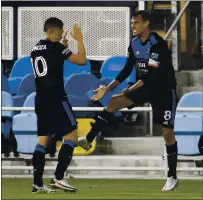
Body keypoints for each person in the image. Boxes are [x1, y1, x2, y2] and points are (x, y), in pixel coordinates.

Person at [78, 11, 179, 191]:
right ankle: (88, 139)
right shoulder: (133, 43)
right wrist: (107, 89)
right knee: (114, 103)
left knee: (167, 134)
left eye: (136, 23)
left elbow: (151, 74)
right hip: (146, 87)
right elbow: (126, 69)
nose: (133, 26)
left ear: (147, 24)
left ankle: (172, 176)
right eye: (132, 23)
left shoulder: (157, 44)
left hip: (164, 90)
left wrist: (128, 90)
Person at [30, 17, 86, 193]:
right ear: (54, 32)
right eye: (61, 32)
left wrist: (63, 46)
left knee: (42, 141)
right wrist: (80, 40)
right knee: (71, 135)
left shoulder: (35, 48)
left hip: (40, 99)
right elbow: (82, 60)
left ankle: (38, 184)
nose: (62, 35)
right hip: (56, 98)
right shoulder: (57, 48)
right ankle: (59, 178)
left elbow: (52, 58)